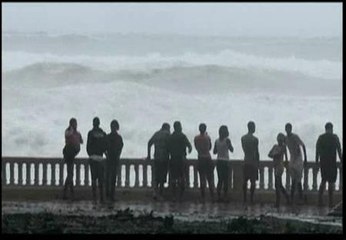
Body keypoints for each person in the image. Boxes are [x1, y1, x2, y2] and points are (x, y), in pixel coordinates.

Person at [315, 122, 342, 208]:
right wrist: (341, 160)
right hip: (332, 163)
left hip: (323, 163)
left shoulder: (321, 138)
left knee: (323, 181)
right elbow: (339, 150)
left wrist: (316, 162)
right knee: (331, 183)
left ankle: (320, 201)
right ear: (331, 128)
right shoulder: (335, 137)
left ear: (325, 128)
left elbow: (317, 150)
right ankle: (330, 202)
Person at [168, 121, 192, 202]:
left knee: (174, 178)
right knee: (182, 177)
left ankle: (174, 196)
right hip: (181, 159)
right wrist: (188, 151)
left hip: (173, 159)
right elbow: (190, 146)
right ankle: (181, 196)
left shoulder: (171, 137)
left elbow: (167, 148)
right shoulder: (182, 136)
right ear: (179, 127)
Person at [147, 123, 171, 200]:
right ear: (167, 128)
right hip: (164, 158)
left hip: (156, 157)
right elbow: (171, 145)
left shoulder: (156, 134)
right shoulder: (167, 134)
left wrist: (149, 155)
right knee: (162, 177)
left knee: (157, 176)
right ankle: (160, 194)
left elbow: (149, 143)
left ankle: (155, 192)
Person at [285, 123, 307, 204]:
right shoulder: (286, 138)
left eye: (289, 128)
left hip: (298, 158)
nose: (287, 130)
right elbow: (284, 149)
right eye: (286, 129)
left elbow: (303, 145)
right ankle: (293, 198)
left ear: (291, 129)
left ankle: (297, 198)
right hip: (292, 158)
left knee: (298, 180)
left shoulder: (295, 137)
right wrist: (287, 159)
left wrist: (305, 158)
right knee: (294, 180)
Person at [87, 117, 107, 203]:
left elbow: (88, 147)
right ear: (99, 123)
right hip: (100, 158)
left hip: (93, 158)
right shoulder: (103, 133)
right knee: (101, 179)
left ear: (93, 123)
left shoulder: (91, 133)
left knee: (94, 179)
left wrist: (91, 154)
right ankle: (102, 198)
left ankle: (94, 198)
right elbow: (106, 146)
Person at [62, 118, 83, 200]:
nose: (75, 125)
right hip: (69, 154)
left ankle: (69, 192)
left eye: (75, 124)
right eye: (74, 124)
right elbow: (68, 135)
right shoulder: (68, 131)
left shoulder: (77, 133)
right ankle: (69, 192)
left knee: (70, 174)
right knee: (70, 174)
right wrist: (71, 129)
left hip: (73, 154)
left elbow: (81, 141)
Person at [268, 133, 290, 208]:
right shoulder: (275, 146)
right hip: (275, 166)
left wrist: (275, 155)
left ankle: (278, 202)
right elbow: (269, 154)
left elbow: (284, 156)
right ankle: (287, 198)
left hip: (280, 167)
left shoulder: (283, 147)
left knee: (277, 185)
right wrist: (274, 155)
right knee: (279, 185)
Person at [194, 123, 215, 202]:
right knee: (210, 178)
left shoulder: (196, 138)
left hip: (200, 158)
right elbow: (210, 147)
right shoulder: (207, 137)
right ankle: (212, 196)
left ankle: (203, 197)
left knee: (202, 178)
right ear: (205, 129)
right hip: (207, 158)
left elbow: (196, 147)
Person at [213, 125, 233, 202]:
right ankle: (225, 197)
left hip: (218, 161)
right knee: (226, 180)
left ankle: (218, 196)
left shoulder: (217, 141)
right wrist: (228, 145)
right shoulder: (227, 140)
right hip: (225, 162)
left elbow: (214, 152)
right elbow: (231, 149)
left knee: (220, 180)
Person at [241, 121, 259, 205]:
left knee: (245, 180)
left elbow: (244, 149)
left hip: (246, 160)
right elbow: (257, 152)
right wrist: (258, 164)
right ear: (252, 128)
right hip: (253, 162)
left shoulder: (243, 138)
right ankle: (251, 198)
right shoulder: (255, 139)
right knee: (252, 182)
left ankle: (244, 198)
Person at [105, 120, 124, 201]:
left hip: (110, 159)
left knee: (109, 178)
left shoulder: (108, 137)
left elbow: (104, 148)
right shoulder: (118, 138)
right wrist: (118, 156)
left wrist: (107, 155)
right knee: (111, 178)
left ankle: (109, 195)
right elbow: (120, 148)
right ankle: (110, 195)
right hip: (114, 159)